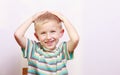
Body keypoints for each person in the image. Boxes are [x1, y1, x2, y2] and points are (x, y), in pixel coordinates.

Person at [14, 10, 79, 75]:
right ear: (37, 36)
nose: (48, 37)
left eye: (52, 31)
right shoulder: (33, 50)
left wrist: (64, 19)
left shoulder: (62, 51)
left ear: (61, 33)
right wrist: (32, 19)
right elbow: (18, 35)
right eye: (43, 33)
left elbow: (75, 39)